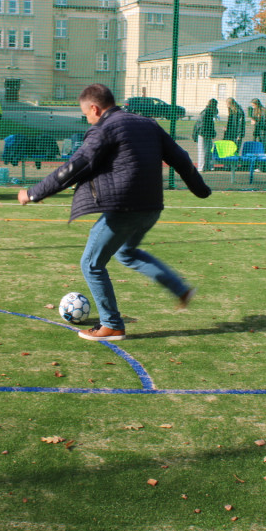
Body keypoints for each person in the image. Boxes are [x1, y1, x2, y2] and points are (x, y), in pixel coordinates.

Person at [17, 83, 211, 341]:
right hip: (151, 207)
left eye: (86, 114)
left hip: (124, 207)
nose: (87, 119)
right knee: (126, 252)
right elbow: (181, 157)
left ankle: (111, 325)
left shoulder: (104, 128)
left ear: (95, 109)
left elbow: (75, 166)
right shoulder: (148, 123)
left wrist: (33, 193)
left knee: (91, 263)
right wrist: (200, 189)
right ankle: (180, 289)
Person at [192, 98, 219, 171]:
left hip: (206, 133)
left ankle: (206, 166)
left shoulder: (208, 111)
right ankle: (202, 167)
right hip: (203, 134)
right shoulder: (207, 112)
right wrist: (208, 133)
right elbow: (203, 124)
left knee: (208, 150)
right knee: (203, 151)